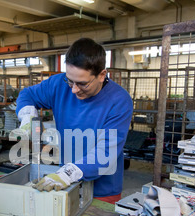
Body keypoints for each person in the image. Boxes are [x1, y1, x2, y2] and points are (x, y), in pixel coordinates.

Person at [15, 38, 133, 204]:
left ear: (101, 75)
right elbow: (27, 95)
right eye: (70, 80)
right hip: (66, 185)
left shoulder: (119, 101)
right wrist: (27, 116)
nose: (74, 89)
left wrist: (67, 174)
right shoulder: (58, 84)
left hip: (102, 190)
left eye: (82, 83)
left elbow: (105, 153)